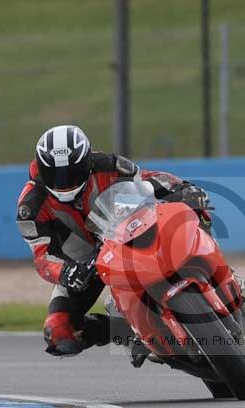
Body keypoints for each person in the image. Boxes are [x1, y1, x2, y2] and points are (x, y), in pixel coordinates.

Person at [16, 124, 211, 357]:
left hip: (127, 234)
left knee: (192, 207)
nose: (64, 181)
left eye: (71, 172)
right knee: (58, 332)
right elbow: (42, 257)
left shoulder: (107, 164)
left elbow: (146, 179)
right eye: (55, 174)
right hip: (83, 265)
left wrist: (180, 187)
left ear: (86, 162)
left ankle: (211, 267)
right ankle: (126, 333)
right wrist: (66, 272)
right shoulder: (30, 207)